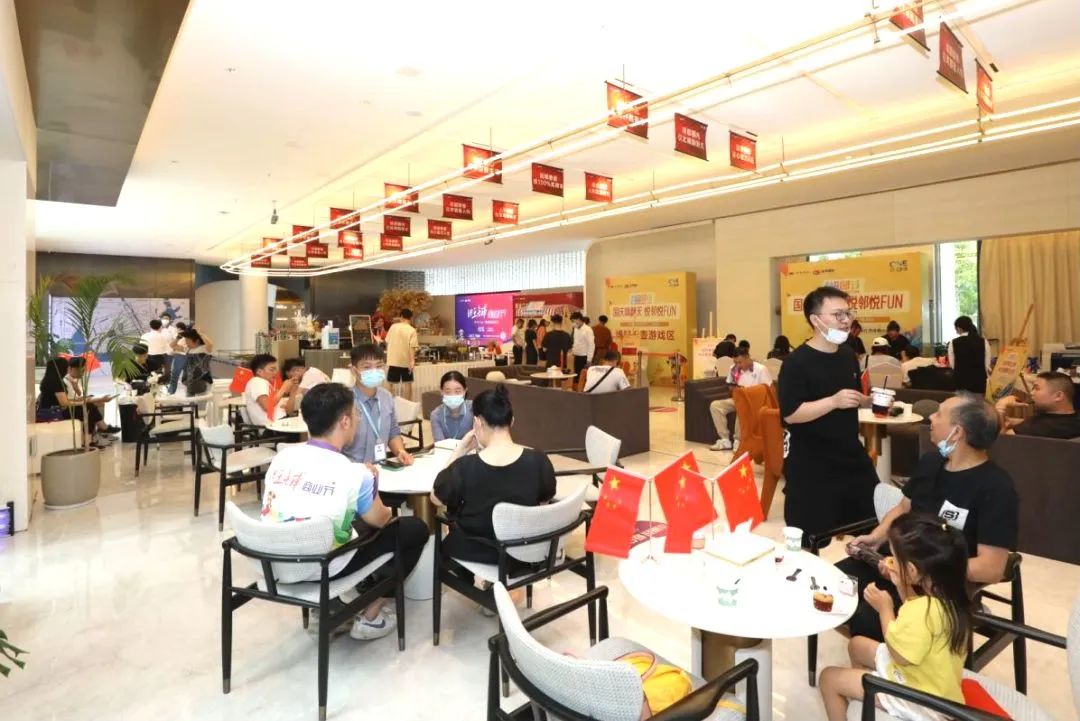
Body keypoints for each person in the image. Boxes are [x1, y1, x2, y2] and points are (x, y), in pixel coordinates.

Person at [840, 392, 1017, 641]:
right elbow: (903, 508)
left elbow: (991, 568)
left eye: (939, 413)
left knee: (867, 617)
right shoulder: (931, 462)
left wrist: (920, 570)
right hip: (899, 562)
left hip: (940, 581)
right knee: (834, 586)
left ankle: (886, 659)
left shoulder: (996, 488)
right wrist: (876, 537)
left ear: (957, 432)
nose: (931, 417)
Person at [260, 383, 428, 640]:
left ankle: (327, 609)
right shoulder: (354, 473)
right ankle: (371, 616)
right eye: (356, 414)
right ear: (345, 421)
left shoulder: (281, 458)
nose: (358, 419)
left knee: (340, 520)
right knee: (413, 530)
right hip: (321, 565)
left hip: (274, 559)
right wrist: (372, 487)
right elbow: (382, 520)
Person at [820, 513, 972, 721]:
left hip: (918, 699)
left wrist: (885, 609)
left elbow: (899, 653)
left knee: (828, 678)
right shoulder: (951, 601)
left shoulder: (922, 611)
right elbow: (916, 625)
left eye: (893, 557)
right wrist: (901, 584)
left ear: (912, 570)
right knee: (857, 644)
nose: (888, 561)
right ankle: (866, 701)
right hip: (937, 686)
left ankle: (872, 692)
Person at [431, 384, 557, 582]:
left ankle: (476, 582)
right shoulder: (539, 460)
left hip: (479, 551)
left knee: (448, 536)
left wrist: (460, 451)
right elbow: (544, 501)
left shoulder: (465, 467)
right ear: (512, 421)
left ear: (477, 423)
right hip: (525, 549)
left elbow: (436, 498)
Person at [779, 286, 876, 540]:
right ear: (815, 319)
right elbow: (791, 414)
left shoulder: (847, 355)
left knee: (875, 525)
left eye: (848, 313)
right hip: (811, 462)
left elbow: (849, 396)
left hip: (849, 455)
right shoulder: (796, 363)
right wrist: (833, 401)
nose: (846, 321)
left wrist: (865, 401)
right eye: (837, 314)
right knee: (809, 538)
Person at [342, 344, 414, 468]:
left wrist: (400, 451)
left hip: (380, 468)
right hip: (351, 470)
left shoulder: (387, 397)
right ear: (354, 370)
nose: (374, 371)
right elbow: (333, 444)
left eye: (379, 366)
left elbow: (393, 432)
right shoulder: (344, 401)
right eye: (367, 367)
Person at [39, 356, 119, 447]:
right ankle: (97, 433)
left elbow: (67, 399)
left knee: (88, 408)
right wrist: (82, 403)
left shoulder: (50, 381)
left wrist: (82, 400)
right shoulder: (57, 382)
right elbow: (64, 402)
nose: (67, 370)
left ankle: (93, 438)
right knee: (88, 409)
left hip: (53, 410)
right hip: (55, 413)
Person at [709, 346, 773, 451]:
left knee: (742, 406)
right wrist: (735, 388)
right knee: (715, 406)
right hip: (739, 398)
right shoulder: (734, 369)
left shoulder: (761, 369)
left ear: (747, 357)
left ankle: (738, 440)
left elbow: (767, 389)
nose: (738, 365)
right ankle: (725, 439)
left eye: (740, 362)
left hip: (755, 402)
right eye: (736, 362)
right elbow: (730, 387)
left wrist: (749, 392)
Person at [997, 371, 1080, 439]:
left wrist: (1000, 408)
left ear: (1058, 396)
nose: (1031, 393)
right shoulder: (1071, 421)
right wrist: (1014, 421)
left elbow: (1001, 441)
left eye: (1037, 388)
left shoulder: (1039, 428)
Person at [244, 354, 292, 428]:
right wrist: (283, 389)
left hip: (279, 423)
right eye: (272, 370)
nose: (275, 372)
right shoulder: (257, 382)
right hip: (271, 428)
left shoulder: (264, 383)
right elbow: (267, 406)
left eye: (276, 370)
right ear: (259, 372)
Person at [947, 316, 992, 394]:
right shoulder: (983, 341)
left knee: (961, 401)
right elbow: (987, 365)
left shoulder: (953, 343)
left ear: (959, 328)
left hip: (961, 382)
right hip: (979, 382)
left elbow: (953, 365)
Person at [430, 371, 474, 441]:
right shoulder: (436, 415)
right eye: (448, 392)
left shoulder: (474, 408)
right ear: (441, 392)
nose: (453, 395)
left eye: (457, 391)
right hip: (446, 448)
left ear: (465, 391)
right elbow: (440, 443)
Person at [384, 309, 418, 398]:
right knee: (407, 383)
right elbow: (412, 347)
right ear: (411, 318)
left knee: (390, 383)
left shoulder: (393, 327)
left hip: (393, 360)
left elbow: (387, 341)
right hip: (406, 361)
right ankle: (408, 404)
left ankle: (389, 403)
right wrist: (412, 361)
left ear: (401, 316)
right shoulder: (412, 330)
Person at [161, 315, 185, 394]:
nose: (165, 320)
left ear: (170, 320)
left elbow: (176, 341)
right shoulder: (159, 329)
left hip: (171, 353)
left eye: (167, 319)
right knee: (160, 372)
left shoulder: (173, 330)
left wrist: (174, 348)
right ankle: (163, 388)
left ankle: (169, 390)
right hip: (160, 352)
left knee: (170, 372)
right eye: (163, 318)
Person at [568, 311, 595, 377]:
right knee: (576, 375)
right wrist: (572, 350)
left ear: (579, 319)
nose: (573, 323)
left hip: (584, 357)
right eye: (572, 321)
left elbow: (591, 345)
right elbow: (576, 342)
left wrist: (589, 360)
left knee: (583, 377)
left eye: (573, 321)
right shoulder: (575, 328)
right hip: (576, 356)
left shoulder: (588, 329)